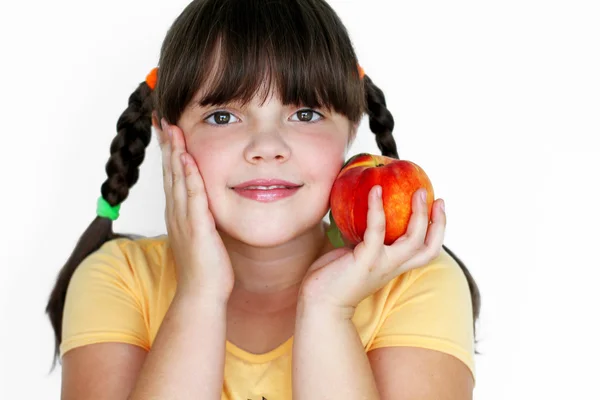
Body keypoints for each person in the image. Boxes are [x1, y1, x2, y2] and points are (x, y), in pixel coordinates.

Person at [46, 0, 481, 398]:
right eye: (223, 116)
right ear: (166, 133)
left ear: (351, 129)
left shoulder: (417, 282)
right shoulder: (117, 279)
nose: (267, 145)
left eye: (305, 114)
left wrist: (328, 311)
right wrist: (200, 293)